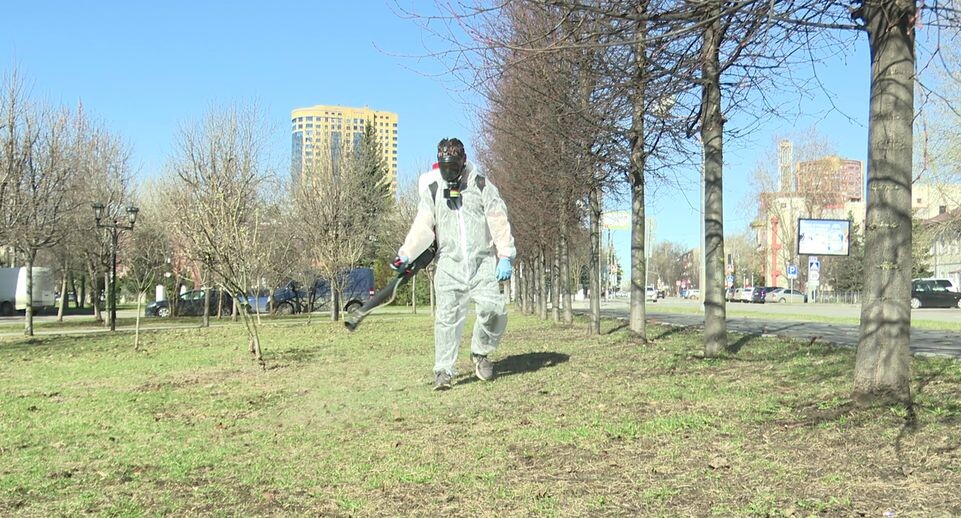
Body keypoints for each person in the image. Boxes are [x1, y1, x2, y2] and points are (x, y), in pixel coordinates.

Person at [393, 138, 516, 390]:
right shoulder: (434, 190)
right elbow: (423, 225)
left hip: (481, 263)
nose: (449, 174)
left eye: (453, 168)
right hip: (449, 264)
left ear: (463, 162)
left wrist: (505, 255)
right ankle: (443, 371)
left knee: (494, 310)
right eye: (444, 168)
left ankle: (480, 352)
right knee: (447, 319)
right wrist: (406, 253)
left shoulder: (481, 185)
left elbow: (498, 219)